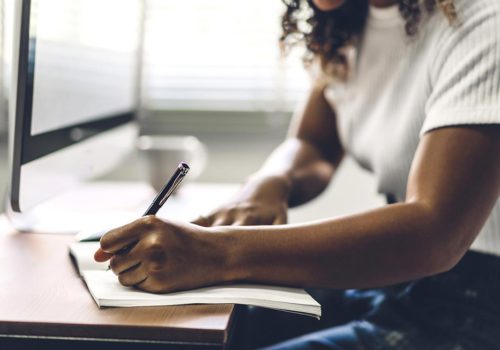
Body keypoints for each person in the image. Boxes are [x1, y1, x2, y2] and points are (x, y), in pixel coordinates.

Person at [94, 0, 500, 348]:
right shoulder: (352, 20)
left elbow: (435, 234)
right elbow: (315, 143)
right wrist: (268, 183)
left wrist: (217, 252)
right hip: (397, 281)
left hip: (479, 304)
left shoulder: (483, 23)